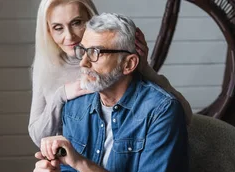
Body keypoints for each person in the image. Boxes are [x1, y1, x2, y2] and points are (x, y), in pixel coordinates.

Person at [0, 12, 189, 172]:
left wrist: (79, 161)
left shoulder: (161, 110)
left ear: (129, 64)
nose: (84, 63)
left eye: (96, 53)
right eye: (83, 51)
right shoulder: (77, 102)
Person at [27, 0, 192, 148]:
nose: (69, 36)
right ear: (48, 31)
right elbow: (38, 137)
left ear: (91, 20)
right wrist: (61, 95)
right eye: (58, 28)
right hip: (63, 166)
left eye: (77, 22)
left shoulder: (112, 60)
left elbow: (181, 115)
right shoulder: (44, 67)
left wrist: (144, 68)